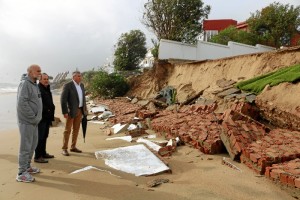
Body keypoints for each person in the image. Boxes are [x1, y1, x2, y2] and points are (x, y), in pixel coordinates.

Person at [16, 64, 43, 183]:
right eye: (37, 71)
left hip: (34, 121)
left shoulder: (34, 84)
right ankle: (21, 173)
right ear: (30, 72)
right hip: (27, 121)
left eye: (40, 71)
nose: (39, 73)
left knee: (32, 145)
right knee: (25, 147)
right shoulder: (25, 84)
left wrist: (37, 117)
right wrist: (33, 117)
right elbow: (22, 103)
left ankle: (27, 167)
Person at [60, 70, 87, 156]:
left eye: (80, 76)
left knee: (76, 130)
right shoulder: (68, 85)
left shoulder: (82, 85)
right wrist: (65, 111)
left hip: (80, 110)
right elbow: (63, 100)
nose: (80, 77)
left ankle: (73, 146)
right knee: (67, 130)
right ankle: (64, 148)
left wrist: (85, 110)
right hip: (70, 111)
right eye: (78, 76)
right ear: (73, 77)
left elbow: (83, 98)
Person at [34, 73, 55, 163]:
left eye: (47, 79)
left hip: (47, 117)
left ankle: (43, 153)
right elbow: (38, 104)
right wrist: (47, 110)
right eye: (44, 79)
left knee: (45, 136)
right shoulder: (38, 89)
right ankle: (37, 156)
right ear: (40, 79)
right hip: (41, 118)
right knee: (40, 137)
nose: (46, 80)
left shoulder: (47, 88)